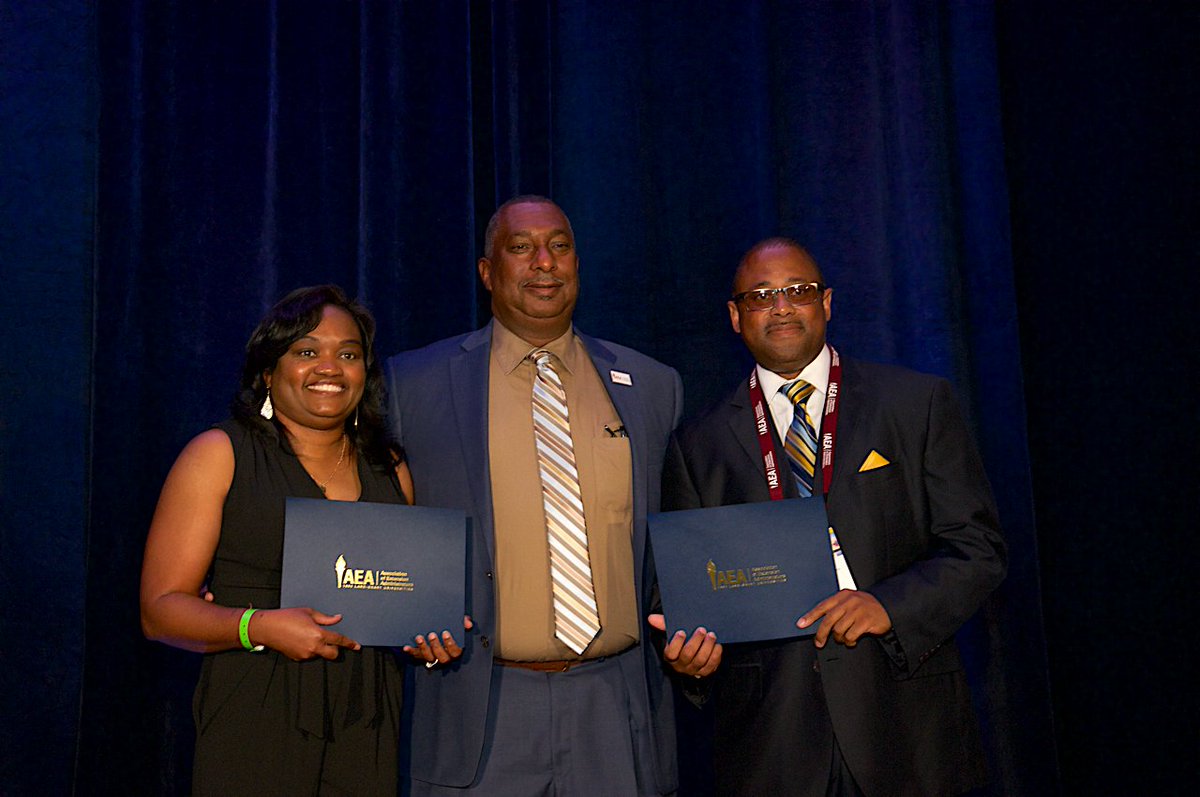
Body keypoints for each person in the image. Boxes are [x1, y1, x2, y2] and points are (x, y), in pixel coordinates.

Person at [660, 239, 1007, 797]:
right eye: (761, 296)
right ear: (734, 316)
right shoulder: (698, 446)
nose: (780, 307)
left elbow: (979, 550)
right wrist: (692, 659)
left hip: (908, 724)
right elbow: (685, 597)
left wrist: (886, 606)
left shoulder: (914, 404)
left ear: (826, 303)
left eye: (797, 291)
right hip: (771, 741)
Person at [385, 196, 683, 796]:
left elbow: (673, 542)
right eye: (521, 248)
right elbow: (376, 529)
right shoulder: (412, 385)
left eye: (560, 245)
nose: (544, 262)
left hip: (616, 707)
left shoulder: (652, 385)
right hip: (479, 707)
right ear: (488, 272)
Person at [140, 285, 463, 796]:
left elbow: (395, 595)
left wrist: (427, 636)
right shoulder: (219, 455)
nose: (330, 367)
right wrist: (260, 626)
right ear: (268, 372)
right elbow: (160, 612)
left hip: (368, 714)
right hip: (256, 706)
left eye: (349, 354)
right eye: (307, 351)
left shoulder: (390, 468)